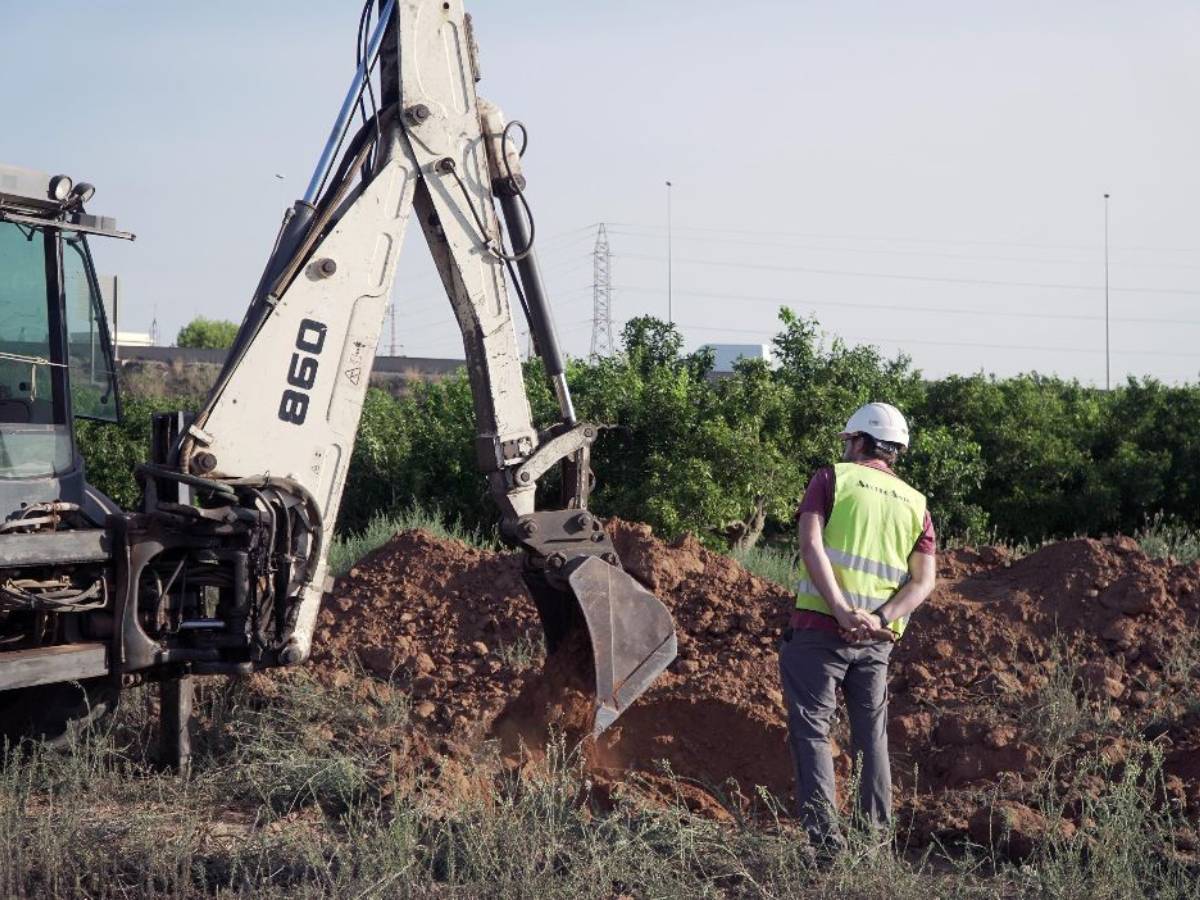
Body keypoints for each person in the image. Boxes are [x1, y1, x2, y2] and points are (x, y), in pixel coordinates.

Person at [778, 402, 937, 859]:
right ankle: (874, 847)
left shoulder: (831, 479)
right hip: (876, 643)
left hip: (818, 630)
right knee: (871, 737)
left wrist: (844, 612)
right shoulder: (916, 504)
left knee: (812, 732)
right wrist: (880, 619)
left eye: (849, 441)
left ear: (862, 441)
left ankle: (826, 846)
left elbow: (811, 546)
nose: (845, 449)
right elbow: (923, 581)